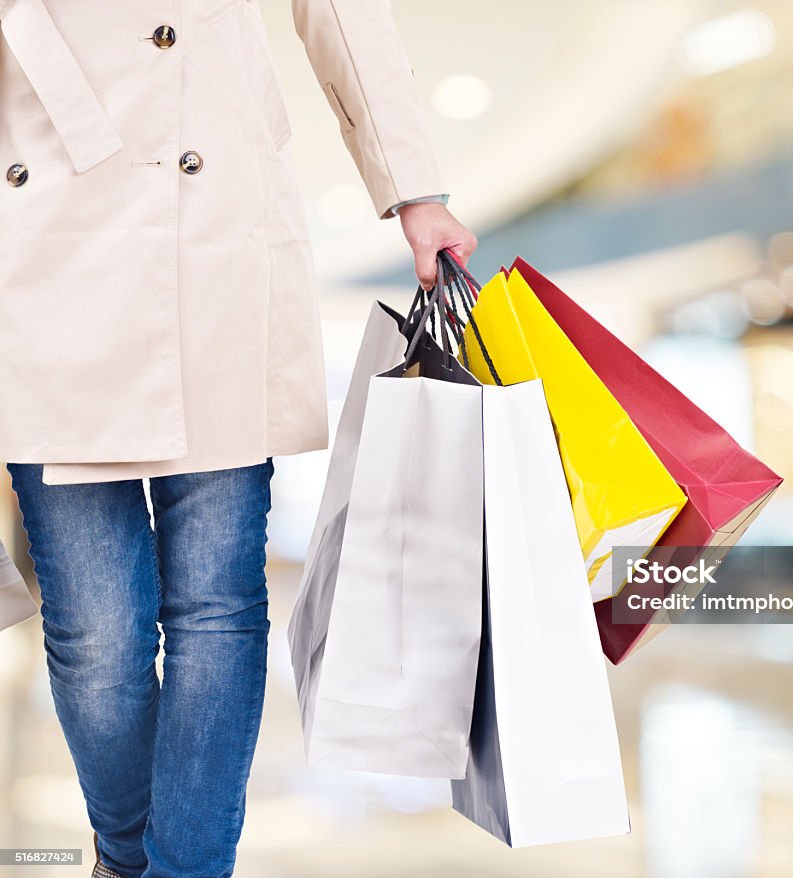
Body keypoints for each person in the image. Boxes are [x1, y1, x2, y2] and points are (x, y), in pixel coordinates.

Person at [0, 1, 475, 875]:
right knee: (95, 630)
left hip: (211, 226)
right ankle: (126, 855)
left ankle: (184, 869)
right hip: (42, 226)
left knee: (217, 607)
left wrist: (414, 188)